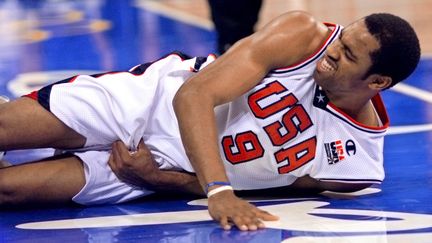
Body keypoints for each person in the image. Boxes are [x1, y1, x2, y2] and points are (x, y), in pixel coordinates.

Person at [0, 11, 420, 231]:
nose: (334, 49)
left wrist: (158, 179)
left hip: (166, 163)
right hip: (149, 102)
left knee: (9, 190)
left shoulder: (357, 166)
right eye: (343, 38)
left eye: (348, 55)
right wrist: (217, 190)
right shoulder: (304, 36)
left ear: (378, 82)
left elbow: (264, 186)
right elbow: (194, 94)